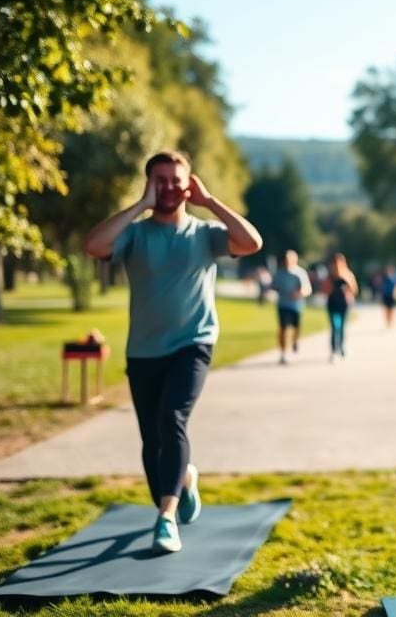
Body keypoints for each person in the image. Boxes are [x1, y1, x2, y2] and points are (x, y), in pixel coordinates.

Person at [84, 151, 262, 554]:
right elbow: (94, 245)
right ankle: (182, 482)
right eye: (158, 180)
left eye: (174, 179)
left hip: (193, 343)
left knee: (172, 417)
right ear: (149, 184)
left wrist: (211, 200)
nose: (167, 186)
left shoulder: (205, 234)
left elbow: (251, 242)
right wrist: (140, 206)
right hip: (144, 350)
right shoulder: (135, 234)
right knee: (152, 440)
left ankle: (166, 517)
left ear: (188, 183)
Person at [270, 250, 312, 364]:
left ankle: (295, 340)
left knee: (296, 328)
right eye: (286, 260)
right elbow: (273, 286)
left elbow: (308, 289)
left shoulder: (300, 273)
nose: (287, 262)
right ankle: (283, 353)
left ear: (295, 260)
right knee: (283, 329)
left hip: (296, 305)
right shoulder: (279, 273)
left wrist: (299, 293)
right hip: (283, 304)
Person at [321, 252, 358, 362]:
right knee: (334, 327)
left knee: (342, 327)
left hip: (344, 305)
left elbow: (354, 290)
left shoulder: (348, 274)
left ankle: (342, 348)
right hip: (332, 304)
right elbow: (325, 291)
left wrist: (346, 281)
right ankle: (333, 351)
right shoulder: (330, 276)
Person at [380, 263, 396, 327]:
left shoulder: (395, 278)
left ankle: (391, 321)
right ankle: (387, 321)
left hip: (392, 296)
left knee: (391, 309)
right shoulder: (384, 278)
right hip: (385, 295)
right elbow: (382, 287)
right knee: (386, 309)